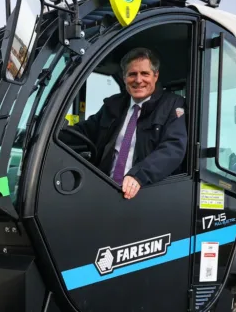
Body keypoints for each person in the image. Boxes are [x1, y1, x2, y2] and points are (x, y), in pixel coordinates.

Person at [70, 47, 187, 199]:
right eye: (132, 74)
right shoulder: (113, 105)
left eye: (145, 74)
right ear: (124, 77)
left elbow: (173, 148)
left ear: (155, 76)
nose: (138, 80)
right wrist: (47, 136)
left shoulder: (173, 106)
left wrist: (139, 175)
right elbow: (84, 132)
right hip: (105, 188)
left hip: (146, 193)